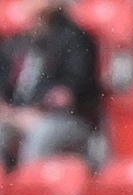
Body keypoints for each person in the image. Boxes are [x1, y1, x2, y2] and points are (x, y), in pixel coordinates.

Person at [0, 0, 102, 169]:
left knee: (42, 133)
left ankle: (32, 183)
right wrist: (13, 114)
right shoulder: (17, 42)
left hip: (65, 119)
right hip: (18, 114)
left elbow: (71, 91)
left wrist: (37, 111)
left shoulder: (74, 39)